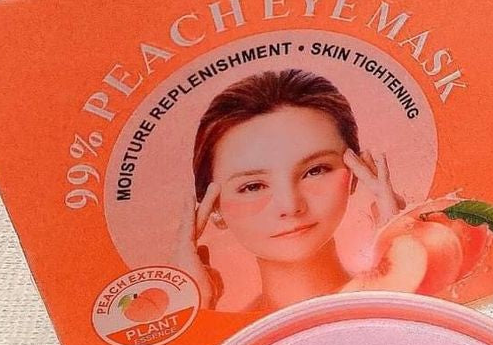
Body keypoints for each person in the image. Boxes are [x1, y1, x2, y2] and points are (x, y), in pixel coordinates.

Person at [173, 68, 405, 310]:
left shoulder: (396, 290)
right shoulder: (206, 316)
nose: (290, 206)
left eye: (315, 170)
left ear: (355, 173)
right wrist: (194, 307)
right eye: (253, 186)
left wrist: (408, 249)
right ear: (214, 208)